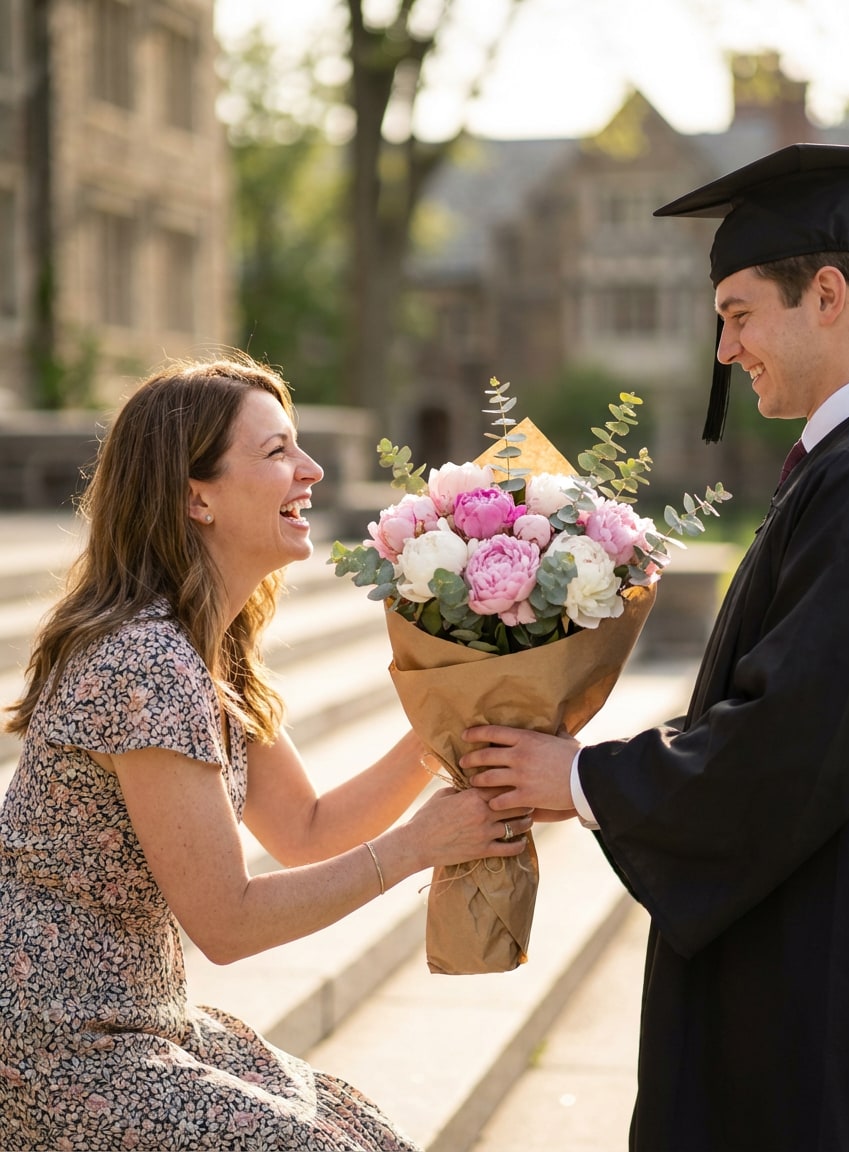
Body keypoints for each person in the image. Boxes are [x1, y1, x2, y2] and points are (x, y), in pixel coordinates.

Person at [461, 143, 849, 1151]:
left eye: (738, 313)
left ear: (828, 295)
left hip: (831, 984)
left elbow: (795, 736)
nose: (725, 348)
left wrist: (580, 778)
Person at [0, 355, 533, 1150]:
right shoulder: (145, 662)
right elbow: (227, 922)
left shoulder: (205, 649)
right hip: (58, 1046)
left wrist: (447, 719)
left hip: (139, 1020)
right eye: (278, 451)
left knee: (366, 1132)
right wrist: (419, 844)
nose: (311, 470)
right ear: (197, 497)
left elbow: (307, 829)